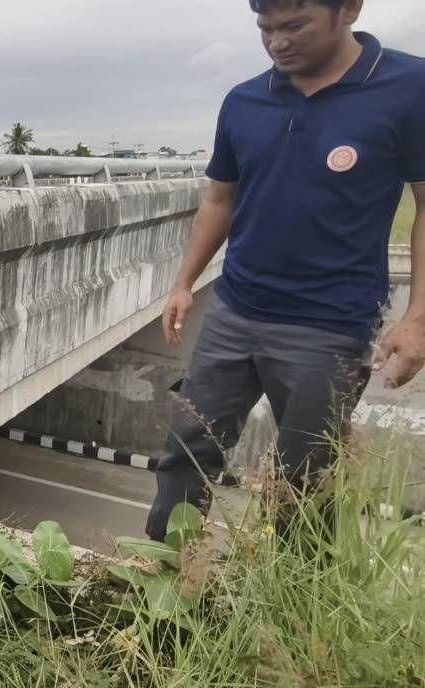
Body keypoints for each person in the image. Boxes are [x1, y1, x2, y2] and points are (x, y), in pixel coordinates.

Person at [146, 0, 425, 542]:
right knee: (186, 449)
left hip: (329, 324)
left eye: (294, 25)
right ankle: (165, 580)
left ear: (348, 9)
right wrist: (184, 282)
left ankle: (294, 611)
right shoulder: (245, 100)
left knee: (307, 479)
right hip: (235, 308)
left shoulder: (408, 86)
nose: (277, 42)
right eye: (265, 28)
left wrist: (417, 314)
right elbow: (220, 199)